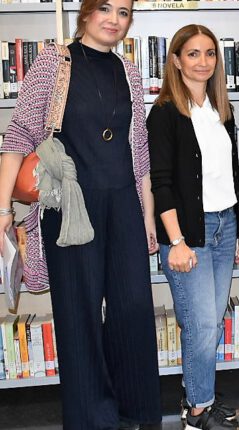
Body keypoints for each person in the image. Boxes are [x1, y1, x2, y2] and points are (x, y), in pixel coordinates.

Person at [0, 0, 161, 427]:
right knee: (79, 314)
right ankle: (93, 418)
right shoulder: (54, 61)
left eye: (124, 12)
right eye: (105, 8)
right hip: (69, 209)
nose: (114, 19)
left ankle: (136, 411)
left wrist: (147, 216)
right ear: (86, 13)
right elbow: (17, 135)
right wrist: (2, 208)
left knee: (133, 310)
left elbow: (139, 150)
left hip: (124, 203)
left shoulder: (129, 70)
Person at [147, 24, 239, 428]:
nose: (203, 61)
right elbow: (162, 182)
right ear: (176, 60)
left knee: (208, 321)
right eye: (193, 53)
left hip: (225, 227)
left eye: (209, 53)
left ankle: (199, 395)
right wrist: (175, 241)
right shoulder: (165, 114)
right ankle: (196, 412)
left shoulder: (220, 110)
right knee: (201, 323)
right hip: (189, 233)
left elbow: (234, 173)